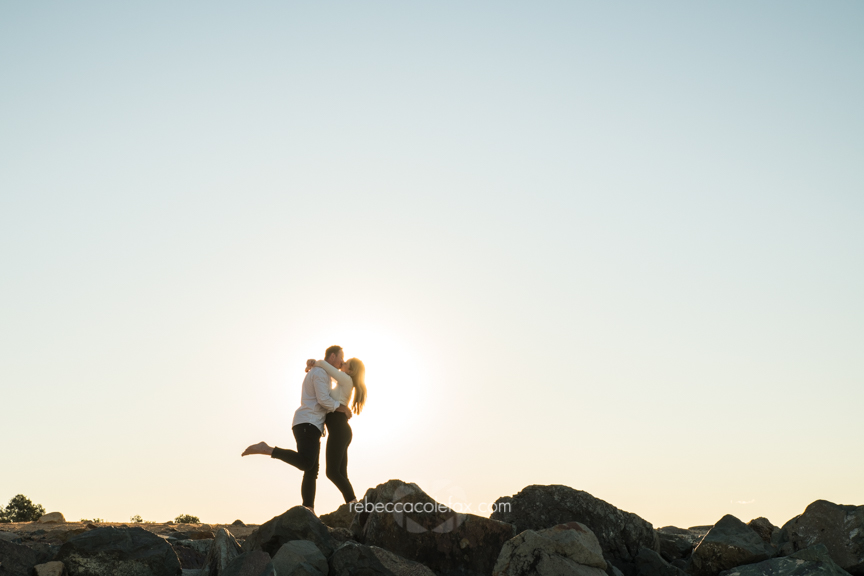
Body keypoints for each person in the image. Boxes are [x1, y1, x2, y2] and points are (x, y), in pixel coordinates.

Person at [241, 345, 353, 513]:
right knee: (306, 464)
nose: (342, 362)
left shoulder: (322, 372)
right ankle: (268, 449)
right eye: (340, 358)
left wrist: (311, 364)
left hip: (311, 424)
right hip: (308, 423)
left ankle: (308, 509)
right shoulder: (321, 374)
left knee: (311, 470)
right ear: (332, 356)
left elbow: (328, 382)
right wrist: (341, 407)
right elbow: (323, 400)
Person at [304, 354, 367, 507]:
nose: (342, 363)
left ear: (350, 371)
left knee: (332, 472)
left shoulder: (345, 379)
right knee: (341, 474)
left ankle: (354, 504)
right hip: (342, 431)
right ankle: (353, 507)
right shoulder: (344, 382)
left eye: (345, 363)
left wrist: (316, 363)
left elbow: (324, 366)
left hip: (339, 431)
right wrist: (312, 365)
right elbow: (325, 378)